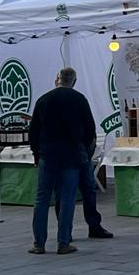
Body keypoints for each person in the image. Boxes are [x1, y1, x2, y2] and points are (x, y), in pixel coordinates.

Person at [28, 67, 96, 255]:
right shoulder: (79, 99)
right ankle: (63, 242)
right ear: (74, 81)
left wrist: (37, 152)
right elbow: (90, 129)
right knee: (67, 199)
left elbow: (33, 131)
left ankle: (38, 243)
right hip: (71, 156)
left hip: (47, 155)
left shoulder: (44, 100)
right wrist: (82, 147)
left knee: (41, 199)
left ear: (57, 79)